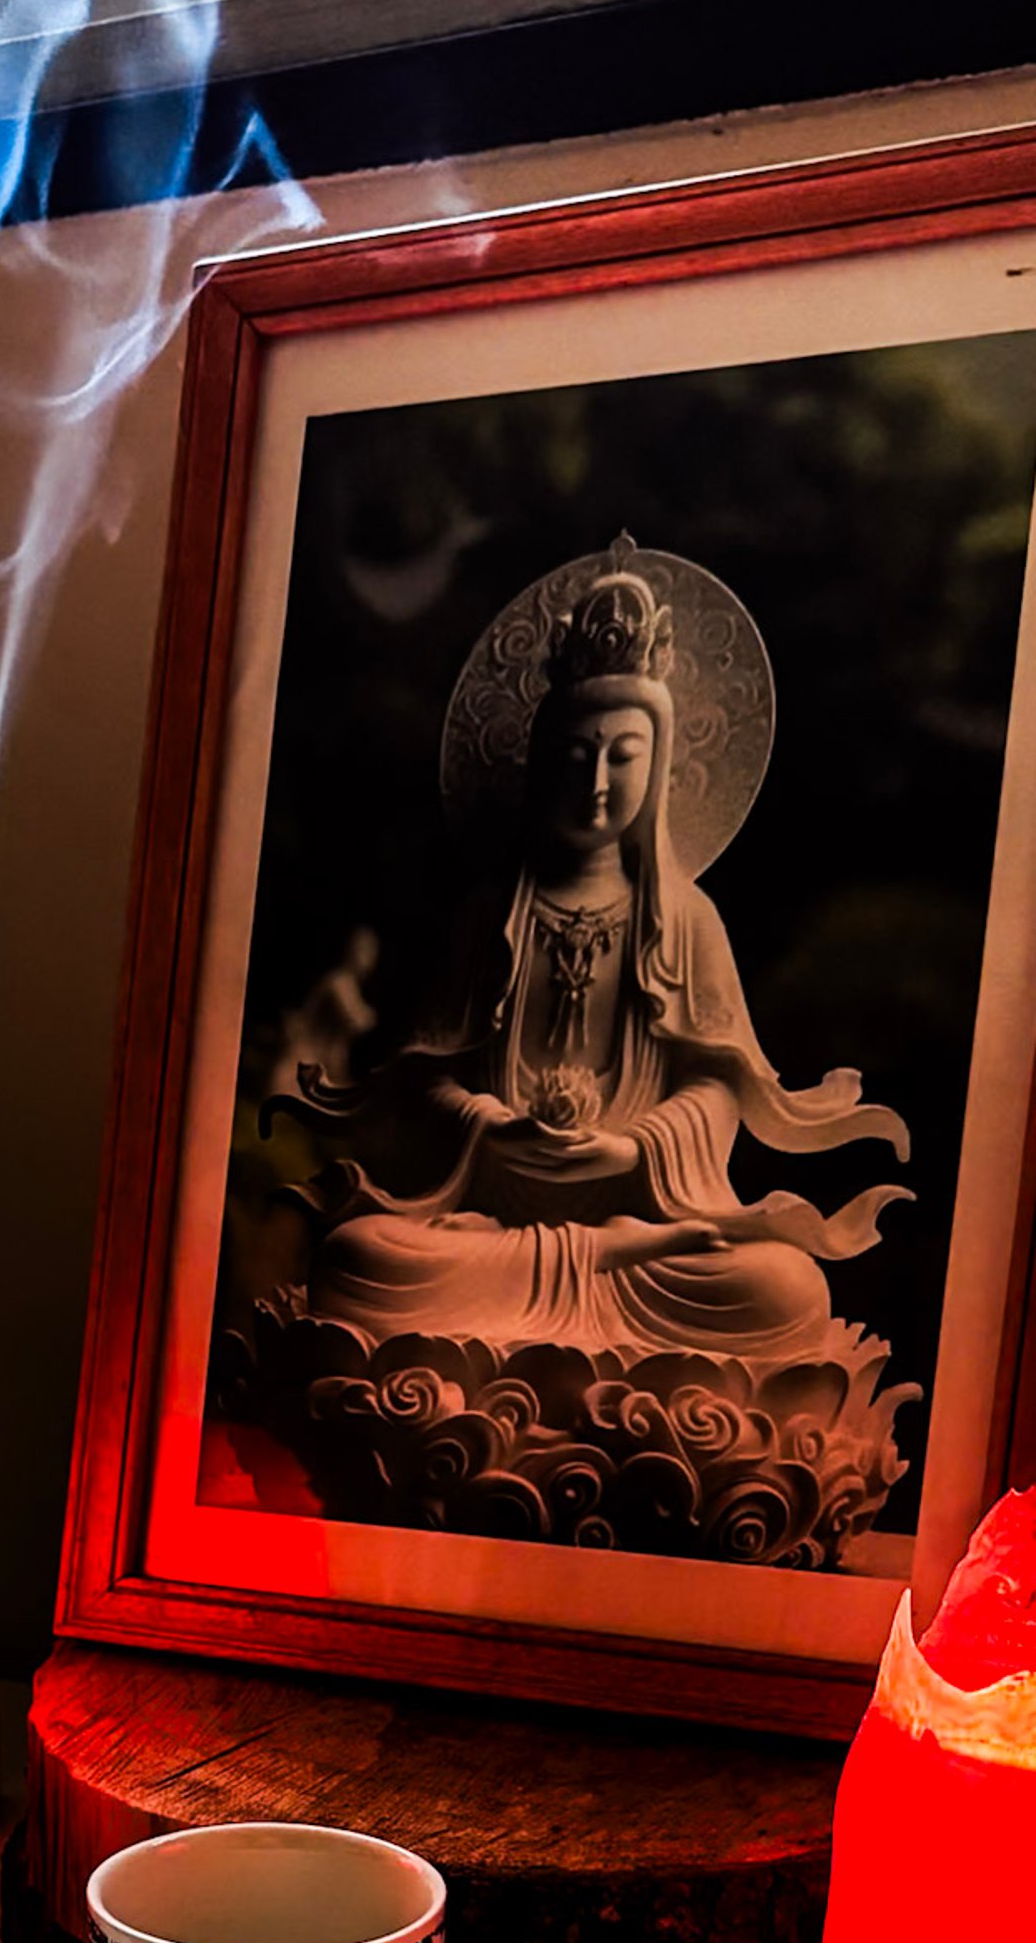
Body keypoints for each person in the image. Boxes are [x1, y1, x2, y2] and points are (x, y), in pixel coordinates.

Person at [299, 549, 911, 1362]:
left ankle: (615, 1253)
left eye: (622, 757)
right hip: (498, 1228)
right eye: (575, 755)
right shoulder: (490, 916)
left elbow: (718, 1089)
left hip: (644, 1232)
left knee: (784, 1288)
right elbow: (430, 1077)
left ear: (658, 771)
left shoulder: (687, 921)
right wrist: (491, 1125)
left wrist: (635, 1147)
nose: (595, 782)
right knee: (361, 1256)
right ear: (541, 765)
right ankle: (591, 1264)